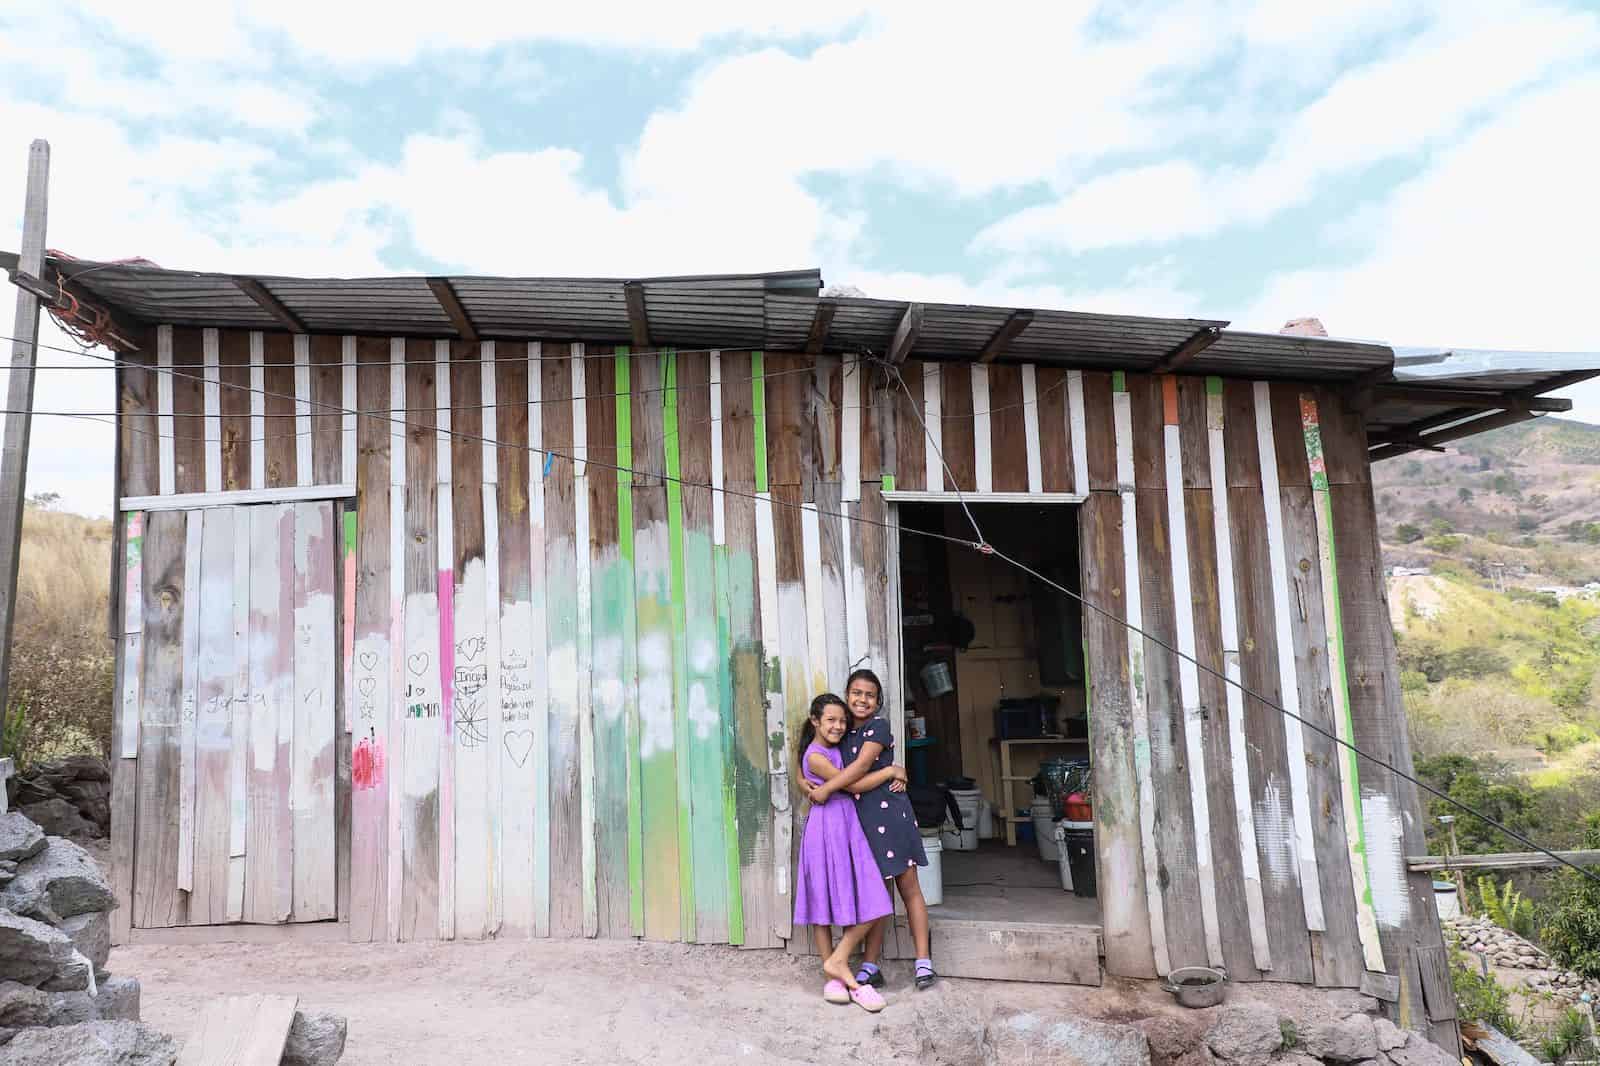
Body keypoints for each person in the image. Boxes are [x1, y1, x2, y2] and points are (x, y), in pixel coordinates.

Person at [804, 668, 937, 990]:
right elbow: (808, 759)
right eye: (857, 693)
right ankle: (869, 964)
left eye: (870, 695)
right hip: (861, 822)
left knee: (908, 887)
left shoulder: (878, 726)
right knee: (876, 895)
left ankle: (923, 961)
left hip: (889, 815)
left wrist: (826, 789)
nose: (862, 699)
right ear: (847, 695)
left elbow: (861, 768)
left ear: (878, 702)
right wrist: (804, 782)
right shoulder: (841, 730)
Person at [792, 693, 895, 1011]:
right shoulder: (815, 756)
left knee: (875, 900)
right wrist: (892, 771)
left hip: (849, 827)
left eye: (841, 720)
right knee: (822, 900)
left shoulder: (837, 747)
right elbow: (853, 785)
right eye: (830, 720)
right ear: (815, 721)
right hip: (825, 830)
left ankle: (837, 960)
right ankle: (835, 977)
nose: (838, 726)